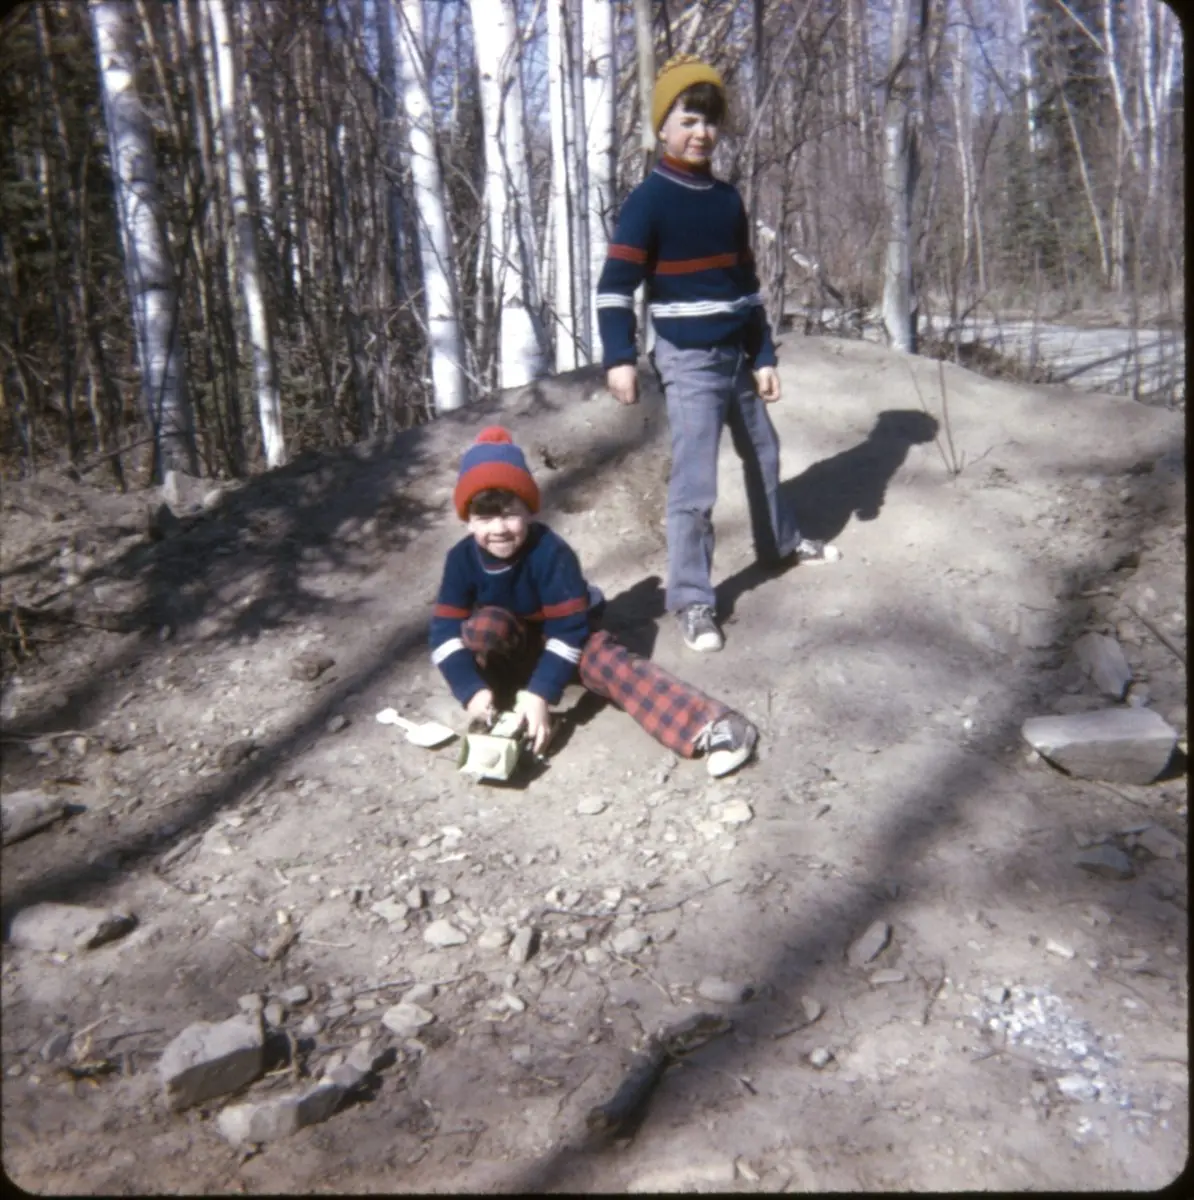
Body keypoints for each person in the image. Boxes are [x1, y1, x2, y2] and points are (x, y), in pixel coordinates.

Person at [596, 53, 839, 655]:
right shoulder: (649, 200)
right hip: (687, 360)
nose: (701, 132)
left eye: (709, 121)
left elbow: (745, 287)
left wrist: (764, 355)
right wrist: (619, 356)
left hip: (735, 355)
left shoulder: (727, 200)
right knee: (696, 484)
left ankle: (781, 543)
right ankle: (692, 599)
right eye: (687, 120)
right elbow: (615, 287)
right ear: (662, 128)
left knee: (765, 452)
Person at [429, 426, 758, 777]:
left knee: (609, 663)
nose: (499, 529)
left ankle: (714, 726)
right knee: (483, 628)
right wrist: (470, 691)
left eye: (510, 513)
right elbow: (443, 632)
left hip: (566, 638)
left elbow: (568, 632)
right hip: (515, 641)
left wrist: (541, 693)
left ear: (529, 511)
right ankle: (501, 708)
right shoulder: (461, 559)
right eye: (484, 518)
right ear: (468, 521)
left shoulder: (550, 553)